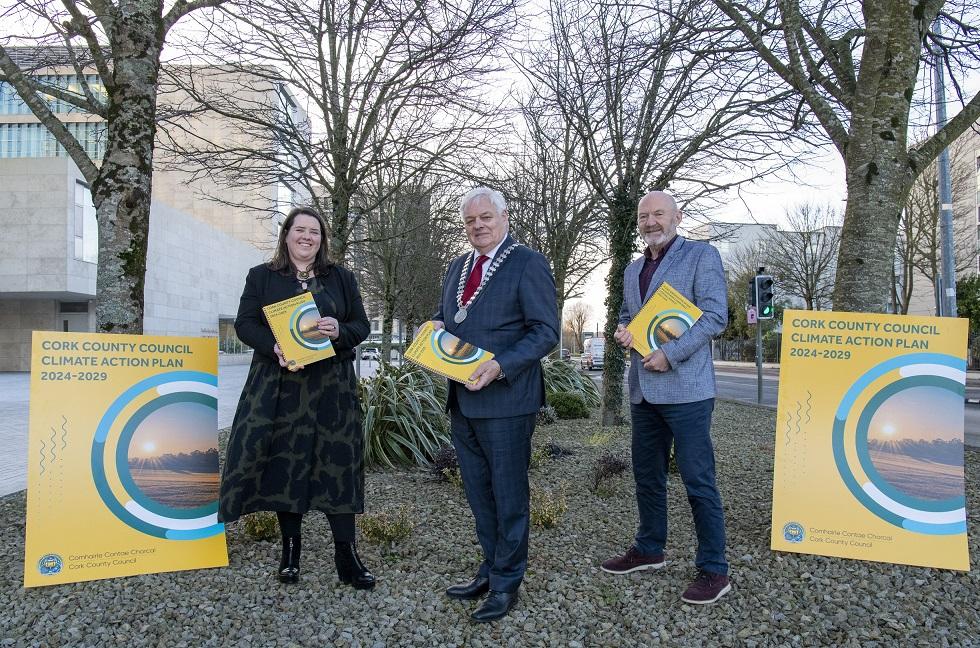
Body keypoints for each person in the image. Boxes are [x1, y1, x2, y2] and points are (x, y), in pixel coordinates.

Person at [219, 206, 375, 589]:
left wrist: (339, 329)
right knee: (285, 465)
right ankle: (291, 550)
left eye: (315, 232)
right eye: (300, 229)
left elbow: (362, 326)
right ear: (286, 234)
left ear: (322, 240)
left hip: (331, 389)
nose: (307, 237)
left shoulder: (341, 278)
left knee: (336, 465)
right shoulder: (262, 277)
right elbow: (244, 324)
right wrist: (273, 346)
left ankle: (346, 553)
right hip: (279, 386)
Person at [432, 187, 559, 622]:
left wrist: (501, 366)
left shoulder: (527, 263)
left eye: (486, 217)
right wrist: (432, 330)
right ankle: (490, 568)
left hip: (506, 400)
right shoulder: (456, 266)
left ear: (505, 218)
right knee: (478, 493)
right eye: (470, 221)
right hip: (462, 400)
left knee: (508, 495)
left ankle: (507, 583)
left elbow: (545, 332)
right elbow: (445, 317)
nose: (478, 226)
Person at [600, 190, 731, 605]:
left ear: (677, 216)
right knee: (647, 477)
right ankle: (649, 549)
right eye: (644, 215)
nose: (651, 221)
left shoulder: (700, 255)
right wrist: (625, 333)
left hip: (687, 391)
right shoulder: (632, 268)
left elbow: (715, 315)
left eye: (659, 213)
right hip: (643, 392)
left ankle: (714, 569)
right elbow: (627, 315)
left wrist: (669, 353)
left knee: (698, 481)